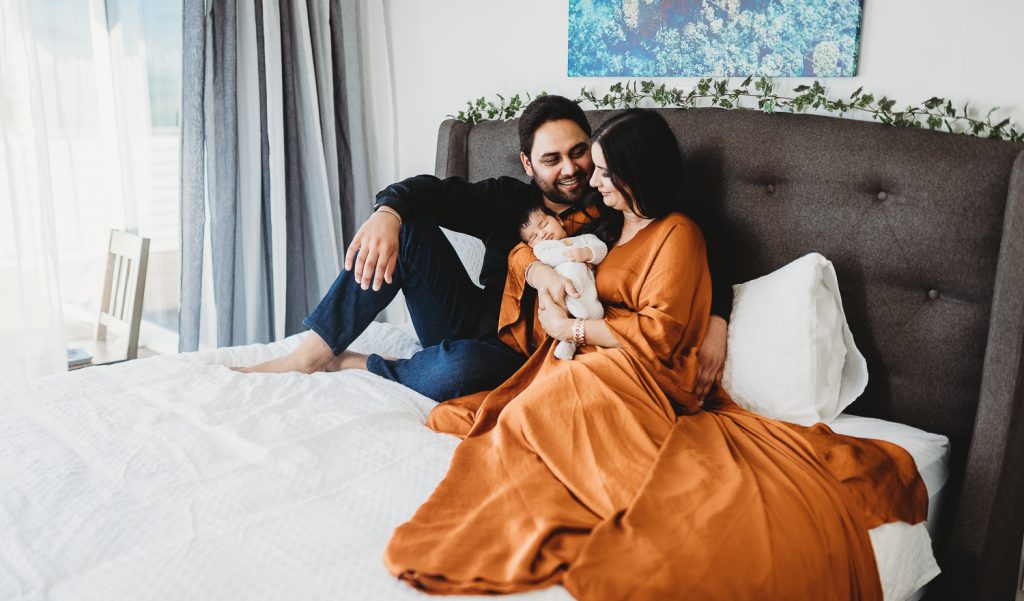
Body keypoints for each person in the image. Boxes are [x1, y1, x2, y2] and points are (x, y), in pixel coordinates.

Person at [383, 109, 928, 601]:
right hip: (591, 361)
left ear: (633, 176)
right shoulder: (609, 229)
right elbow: (538, 253)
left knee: (542, 402)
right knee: (490, 406)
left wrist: (576, 331)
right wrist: (545, 291)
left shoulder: (679, 233)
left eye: (602, 171)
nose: (589, 180)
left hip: (641, 376)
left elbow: (661, 334)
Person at [239, 96, 732, 404]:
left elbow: (702, 238)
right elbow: (428, 192)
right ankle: (310, 352)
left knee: (457, 371)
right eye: (552, 158)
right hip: (473, 316)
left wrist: (716, 323)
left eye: (579, 151)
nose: (573, 170)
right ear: (527, 163)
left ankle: (357, 363)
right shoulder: (505, 198)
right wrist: (387, 213)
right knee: (409, 228)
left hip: (522, 349)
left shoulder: (615, 200)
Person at [517, 203, 608, 360]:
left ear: (558, 220)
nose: (542, 234)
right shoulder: (542, 250)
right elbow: (550, 257)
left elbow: (602, 249)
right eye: (534, 237)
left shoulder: (584, 239)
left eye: (544, 224)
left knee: (594, 310)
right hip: (565, 301)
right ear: (530, 245)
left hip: (589, 295)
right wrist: (576, 255)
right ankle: (569, 342)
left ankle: (578, 335)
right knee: (568, 313)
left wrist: (588, 252)